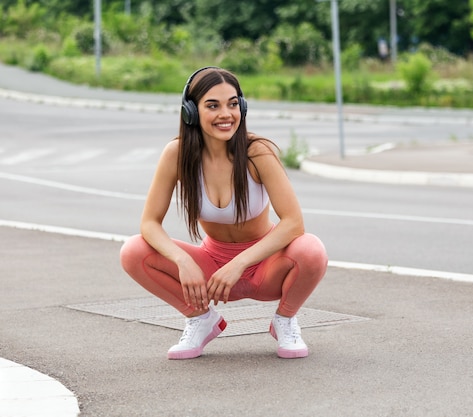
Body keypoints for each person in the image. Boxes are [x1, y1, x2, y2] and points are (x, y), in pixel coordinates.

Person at [120, 66, 328, 360]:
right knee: (133, 251)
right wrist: (182, 262)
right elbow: (149, 224)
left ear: (242, 107)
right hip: (212, 270)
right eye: (212, 105)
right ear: (191, 111)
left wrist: (238, 264)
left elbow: (293, 224)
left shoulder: (258, 152)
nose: (226, 114)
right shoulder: (176, 155)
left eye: (233, 104)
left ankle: (285, 320)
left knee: (311, 249)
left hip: (264, 266)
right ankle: (200, 319)